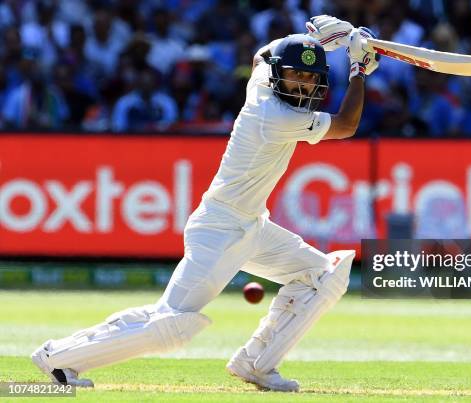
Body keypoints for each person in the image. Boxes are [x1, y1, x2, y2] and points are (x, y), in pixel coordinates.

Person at [31, 15, 378, 392]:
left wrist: (313, 40)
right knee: (172, 324)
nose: (304, 84)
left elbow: (263, 55)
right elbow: (347, 125)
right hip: (218, 229)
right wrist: (358, 69)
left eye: (310, 78)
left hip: (251, 227)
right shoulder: (272, 115)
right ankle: (59, 358)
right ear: (281, 76)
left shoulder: (262, 82)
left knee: (323, 275)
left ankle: (256, 364)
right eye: (297, 76)